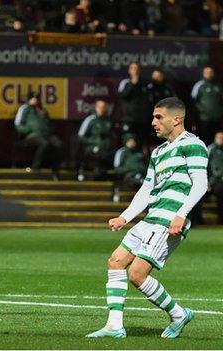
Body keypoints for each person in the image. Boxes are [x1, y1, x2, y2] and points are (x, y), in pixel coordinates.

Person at [86, 97, 208, 339]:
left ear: (177, 119)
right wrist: (125, 216)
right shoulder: (159, 152)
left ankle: (178, 314)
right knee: (116, 262)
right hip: (152, 218)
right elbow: (147, 189)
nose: (153, 122)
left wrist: (180, 215)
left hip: (169, 220)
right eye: (153, 116)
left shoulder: (193, 145)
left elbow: (201, 184)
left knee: (137, 275)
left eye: (158, 117)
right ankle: (114, 326)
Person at [14, 91, 62, 180]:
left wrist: (49, 130)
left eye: (37, 98)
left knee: (58, 144)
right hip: (31, 135)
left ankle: (55, 171)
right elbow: (17, 124)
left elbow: (49, 124)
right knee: (44, 144)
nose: (35, 100)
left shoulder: (43, 110)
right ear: (29, 99)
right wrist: (27, 130)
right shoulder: (24, 108)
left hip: (46, 134)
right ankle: (36, 167)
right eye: (33, 98)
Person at [75, 99, 113, 181]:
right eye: (99, 107)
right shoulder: (90, 120)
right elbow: (80, 137)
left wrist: (107, 144)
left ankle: (100, 175)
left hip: (105, 148)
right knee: (98, 154)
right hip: (91, 147)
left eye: (103, 107)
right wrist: (93, 142)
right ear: (96, 108)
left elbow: (111, 137)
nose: (101, 109)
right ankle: (89, 174)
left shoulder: (108, 121)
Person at [118, 61, 152, 145]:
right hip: (128, 120)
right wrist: (133, 84)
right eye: (132, 68)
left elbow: (148, 100)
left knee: (141, 144)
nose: (135, 71)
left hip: (142, 121)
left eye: (137, 69)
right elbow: (123, 95)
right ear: (129, 70)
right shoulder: (125, 82)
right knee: (129, 143)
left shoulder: (145, 84)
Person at [191, 66, 223, 146]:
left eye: (210, 72)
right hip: (203, 120)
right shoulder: (199, 85)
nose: (208, 74)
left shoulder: (218, 86)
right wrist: (201, 113)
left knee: (215, 141)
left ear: (213, 74)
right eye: (206, 72)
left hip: (217, 119)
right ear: (203, 73)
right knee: (204, 140)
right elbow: (193, 102)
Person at [112, 134, 146, 202]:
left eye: (133, 140)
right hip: (127, 177)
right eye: (130, 140)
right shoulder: (121, 152)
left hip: (140, 176)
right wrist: (130, 169)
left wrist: (140, 169)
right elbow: (116, 169)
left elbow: (145, 167)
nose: (132, 142)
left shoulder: (139, 153)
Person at [207, 131, 223, 224]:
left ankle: (221, 220)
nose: (221, 140)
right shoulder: (210, 149)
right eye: (220, 138)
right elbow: (206, 167)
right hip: (210, 182)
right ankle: (196, 221)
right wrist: (208, 183)